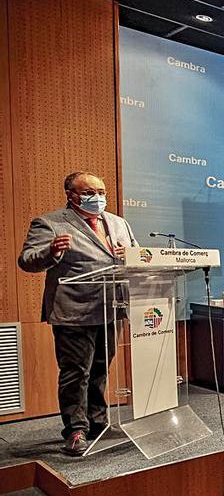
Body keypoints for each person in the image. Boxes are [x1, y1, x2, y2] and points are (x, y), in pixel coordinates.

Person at [18, 172, 138, 456]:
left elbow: (137, 254)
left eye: (101, 190)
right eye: (90, 192)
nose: (98, 197)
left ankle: (98, 423)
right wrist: (51, 251)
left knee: (99, 371)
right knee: (76, 373)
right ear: (71, 194)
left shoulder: (118, 222)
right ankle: (75, 430)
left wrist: (129, 254)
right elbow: (27, 260)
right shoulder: (49, 223)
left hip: (111, 307)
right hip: (74, 310)